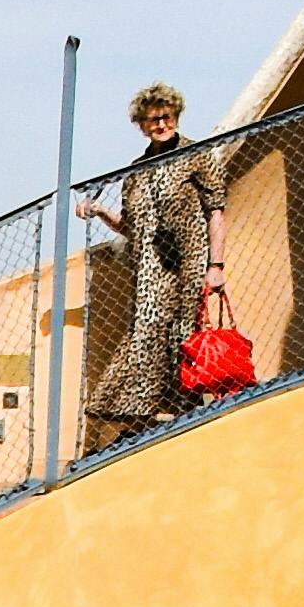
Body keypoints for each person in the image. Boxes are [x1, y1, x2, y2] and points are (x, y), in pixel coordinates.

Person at [85, 81, 222, 437]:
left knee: (185, 334)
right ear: (142, 126)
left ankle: (185, 412)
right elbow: (130, 227)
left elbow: (216, 211)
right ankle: (137, 416)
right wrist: (99, 210)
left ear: (176, 116)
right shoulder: (136, 172)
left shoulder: (197, 154)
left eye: (166, 117)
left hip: (189, 266)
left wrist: (215, 265)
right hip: (149, 270)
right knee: (146, 332)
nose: (161, 125)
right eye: (152, 120)